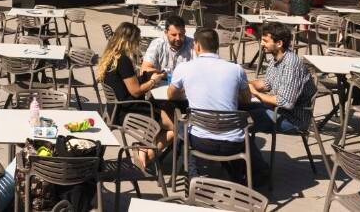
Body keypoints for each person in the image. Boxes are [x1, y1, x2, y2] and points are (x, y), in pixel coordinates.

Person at [168, 29, 255, 186]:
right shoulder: (236, 69)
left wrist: (189, 92)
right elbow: (247, 99)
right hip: (233, 143)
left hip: (201, 142)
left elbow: (171, 95)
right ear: (217, 46)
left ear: (197, 46)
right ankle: (238, 177)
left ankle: (192, 177)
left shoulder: (184, 68)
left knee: (181, 126)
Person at [97, 22, 172, 167]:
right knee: (176, 127)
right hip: (128, 111)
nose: (138, 43)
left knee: (166, 116)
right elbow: (135, 91)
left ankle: (145, 147)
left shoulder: (110, 57)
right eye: (137, 40)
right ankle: (145, 151)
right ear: (130, 40)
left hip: (114, 108)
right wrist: (153, 81)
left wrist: (146, 76)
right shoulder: (123, 60)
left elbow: (125, 83)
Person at [247, 22, 316, 149]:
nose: (261, 43)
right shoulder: (276, 57)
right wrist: (245, 84)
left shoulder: (291, 64)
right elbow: (267, 84)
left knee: (242, 120)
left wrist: (256, 94)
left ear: (279, 43)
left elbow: (285, 102)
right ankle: (245, 156)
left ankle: (251, 160)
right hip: (278, 110)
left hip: (293, 120)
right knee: (241, 108)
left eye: (265, 41)